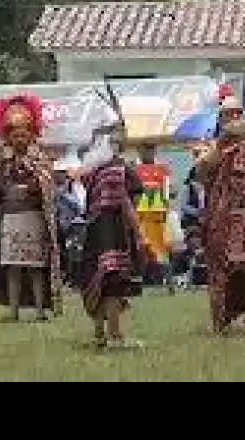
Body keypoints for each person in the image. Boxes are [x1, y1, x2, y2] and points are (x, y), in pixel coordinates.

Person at [0, 94, 61, 321]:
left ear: (31, 133)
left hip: (34, 216)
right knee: (12, 265)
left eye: (23, 133)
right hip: (10, 217)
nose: (19, 138)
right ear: (7, 136)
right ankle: (13, 311)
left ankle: (39, 310)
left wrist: (31, 180)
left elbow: (47, 182)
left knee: (36, 265)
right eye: (14, 134)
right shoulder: (2, 161)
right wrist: (4, 169)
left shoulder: (40, 158)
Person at [197, 118, 245, 334]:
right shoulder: (213, 150)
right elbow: (202, 172)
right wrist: (221, 147)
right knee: (220, 272)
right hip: (223, 219)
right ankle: (219, 320)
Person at [78, 122, 145, 348]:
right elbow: (127, 203)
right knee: (112, 280)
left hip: (94, 228)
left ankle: (100, 334)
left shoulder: (91, 170)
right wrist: (138, 233)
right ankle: (114, 335)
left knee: (99, 278)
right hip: (112, 228)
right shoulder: (117, 169)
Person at [135, 142, 172, 286]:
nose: (148, 153)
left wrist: (165, 211)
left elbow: (167, 193)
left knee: (161, 249)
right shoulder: (135, 170)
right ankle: (141, 282)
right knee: (141, 248)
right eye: (145, 150)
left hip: (157, 214)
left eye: (151, 150)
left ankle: (169, 282)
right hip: (141, 215)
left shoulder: (162, 169)